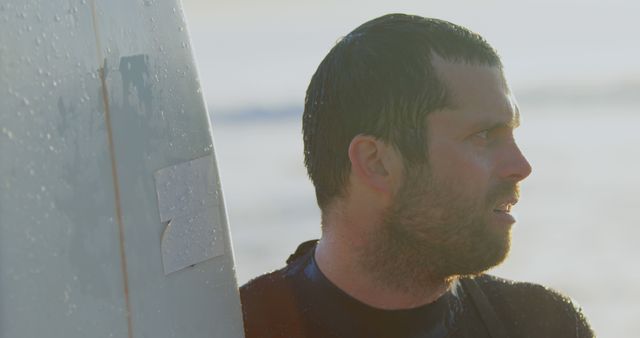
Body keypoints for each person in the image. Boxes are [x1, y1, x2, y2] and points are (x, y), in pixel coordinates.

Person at [240, 13, 594, 338]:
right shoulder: (229, 326)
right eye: (483, 136)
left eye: (512, 134)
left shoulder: (542, 325)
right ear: (376, 162)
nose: (521, 166)